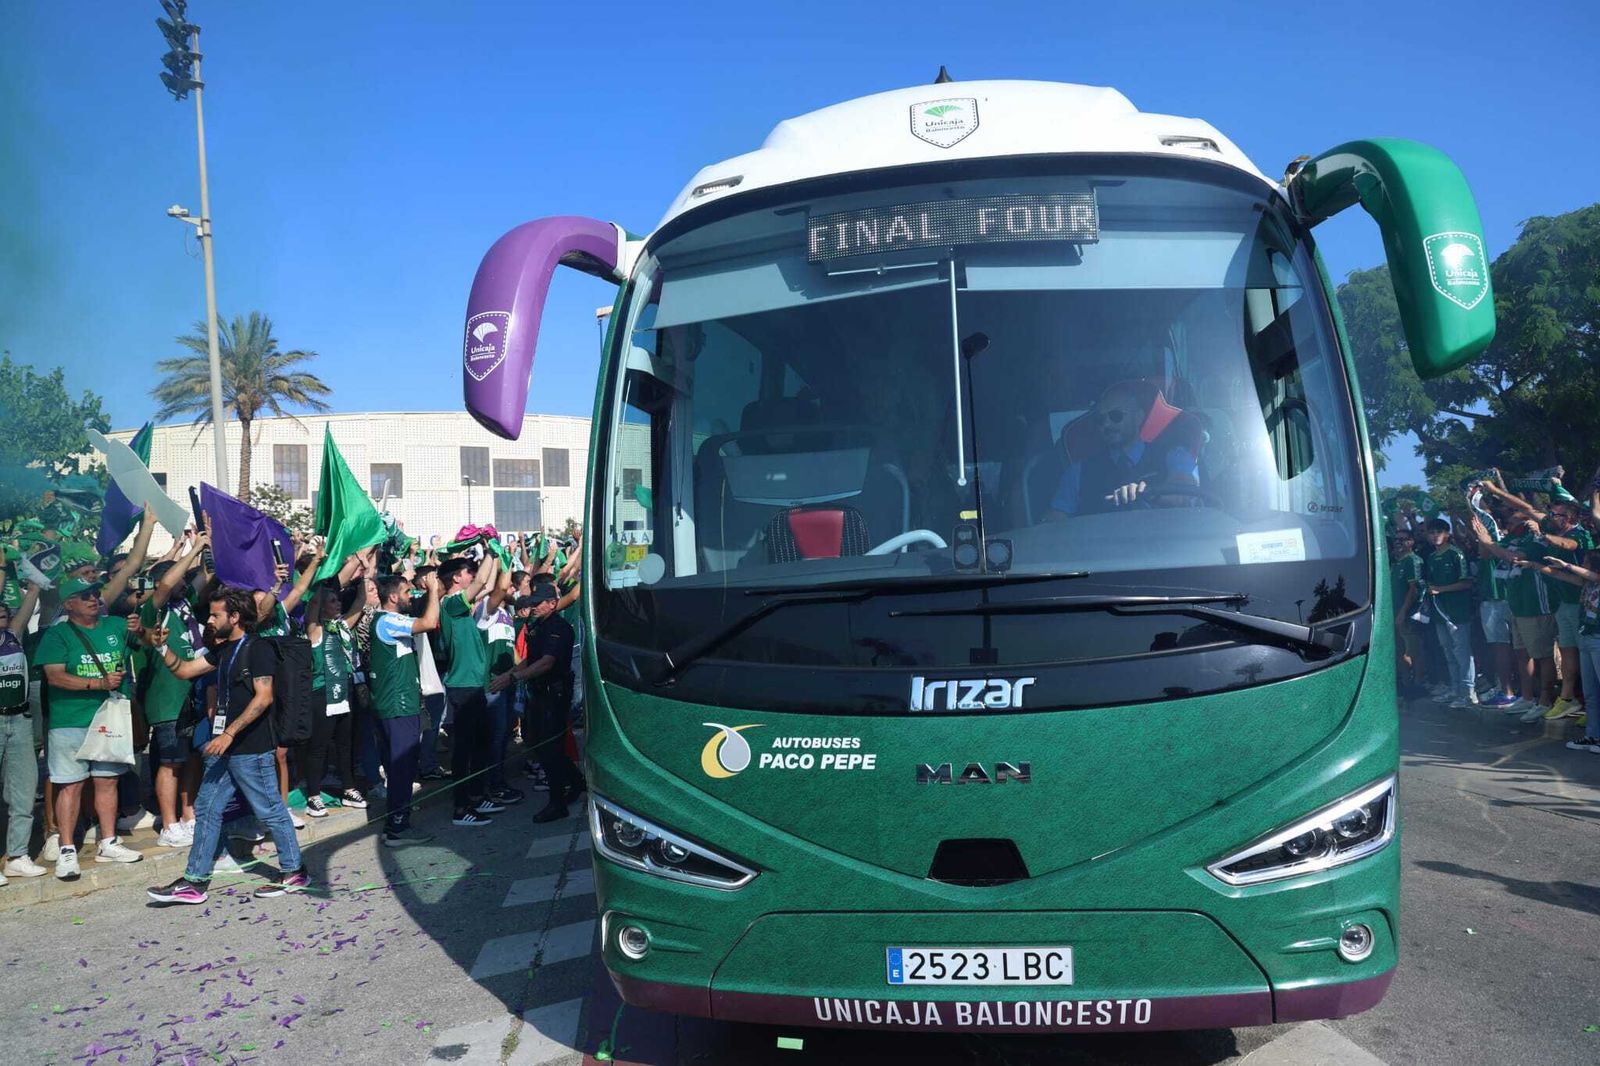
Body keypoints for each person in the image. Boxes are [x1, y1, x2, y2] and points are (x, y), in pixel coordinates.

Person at [147, 588, 308, 904]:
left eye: (215, 614)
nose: (208, 619)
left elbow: (264, 698)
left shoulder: (257, 649)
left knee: (271, 810)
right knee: (206, 808)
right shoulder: (222, 651)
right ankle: (195, 882)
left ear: (235, 617)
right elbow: (184, 670)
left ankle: (295, 871)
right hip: (225, 748)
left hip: (249, 747)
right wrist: (161, 646)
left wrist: (229, 733)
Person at [34, 576, 145, 880]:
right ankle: (67, 849)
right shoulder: (57, 635)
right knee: (70, 785)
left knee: (108, 781)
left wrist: (142, 629)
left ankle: (108, 841)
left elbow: (150, 640)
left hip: (110, 718)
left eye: (95, 594)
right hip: (70, 721)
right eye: (84, 596)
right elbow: (54, 676)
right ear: (68, 604)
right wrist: (97, 683)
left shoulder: (116, 625)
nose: (93, 599)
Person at [138, 535, 211, 847]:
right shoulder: (151, 612)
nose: (184, 583)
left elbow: (207, 578)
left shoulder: (185, 608)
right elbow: (166, 586)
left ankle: (188, 815)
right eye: (180, 578)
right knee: (171, 762)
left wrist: (209, 546)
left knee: (192, 759)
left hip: (191, 696)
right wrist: (192, 549)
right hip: (167, 701)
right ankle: (168, 825)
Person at [491, 580, 581, 822]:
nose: (533, 607)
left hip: (555, 693)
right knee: (541, 743)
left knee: (550, 748)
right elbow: (530, 659)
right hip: (540, 692)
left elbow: (547, 662)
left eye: (537, 603)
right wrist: (509, 674)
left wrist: (514, 678)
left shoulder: (558, 627)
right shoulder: (538, 626)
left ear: (552, 604)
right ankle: (576, 782)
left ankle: (557, 802)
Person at [1045, 381, 1202, 518]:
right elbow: (1055, 522)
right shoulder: (1078, 472)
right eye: (1100, 419)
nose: (1106, 425)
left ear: (1139, 417)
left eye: (1115, 416)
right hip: (1098, 550)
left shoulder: (1175, 455)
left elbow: (1184, 493)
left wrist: (1150, 493)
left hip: (1167, 547)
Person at [368, 573, 440, 847]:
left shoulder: (389, 620)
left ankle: (397, 820)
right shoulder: (388, 620)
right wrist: (433, 589)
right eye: (407, 592)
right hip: (398, 705)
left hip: (396, 704)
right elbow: (429, 622)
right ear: (393, 597)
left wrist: (432, 590)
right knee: (402, 767)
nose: (411, 596)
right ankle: (398, 827)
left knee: (400, 765)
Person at [438, 552, 504, 827]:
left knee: (479, 744)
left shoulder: (461, 605)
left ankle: (477, 796)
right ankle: (461, 807)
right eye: (467, 573)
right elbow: (480, 584)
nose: (471, 577)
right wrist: (488, 553)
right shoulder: (451, 603)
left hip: (474, 683)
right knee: (463, 749)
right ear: (456, 578)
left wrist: (496, 556)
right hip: (462, 685)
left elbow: (487, 586)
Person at [302, 578, 371, 818]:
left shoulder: (342, 627)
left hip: (345, 691)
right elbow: (311, 607)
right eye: (332, 601)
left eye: (337, 599)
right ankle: (313, 796)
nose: (338, 604)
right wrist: (323, 576)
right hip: (322, 694)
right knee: (319, 747)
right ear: (322, 607)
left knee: (346, 745)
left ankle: (349, 789)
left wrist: (363, 577)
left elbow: (361, 603)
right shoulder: (315, 630)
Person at [0, 573, 46, 883]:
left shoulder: (13, 636)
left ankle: (17, 855)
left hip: (19, 720)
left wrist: (34, 580)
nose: (1, 620)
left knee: (24, 790)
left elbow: (30, 600)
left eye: (3, 615)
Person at [1536, 498, 1594, 721]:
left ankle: (1592, 707)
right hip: (1563, 604)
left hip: (1581, 605)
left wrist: (1543, 536)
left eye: (1556, 514)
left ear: (1570, 516)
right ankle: (1568, 699)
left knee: (1589, 658)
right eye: (1550, 513)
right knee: (1568, 651)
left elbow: (1570, 546)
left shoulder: (1581, 535)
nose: (1552, 517)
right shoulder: (1556, 535)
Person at [1542, 550, 1600, 752]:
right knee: (1591, 693)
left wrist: (1566, 564)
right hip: (1586, 637)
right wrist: (1546, 566)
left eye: (1586, 563)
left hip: (1599, 640)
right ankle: (1593, 736)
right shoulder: (1588, 584)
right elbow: (1562, 576)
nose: (1582, 566)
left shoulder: (1596, 579)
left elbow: (1592, 575)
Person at [1421, 518, 1476, 708]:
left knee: (1462, 652)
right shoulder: (1431, 557)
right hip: (1439, 613)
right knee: (1448, 652)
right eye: (1432, 532)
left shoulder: (1456, 554)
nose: (1435, 535)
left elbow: (1467, 582)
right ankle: (1455, 689)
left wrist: (1441, 589)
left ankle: (1468, 693)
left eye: (1439, 531)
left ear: (1447, 534)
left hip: (1458, 613)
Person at [1390, 529, 1428, 697]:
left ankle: (1418, 683)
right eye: (1396, 539)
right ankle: (1406, 683)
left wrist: (1403, 612)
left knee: (1414, 650)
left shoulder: (1413, 561)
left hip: (1409, 614)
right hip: (1393, 612)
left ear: (1411, 542)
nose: (1399, 542)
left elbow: (1413, 590)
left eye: (1403, 539)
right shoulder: (1397, 562)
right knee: (1399, 651)